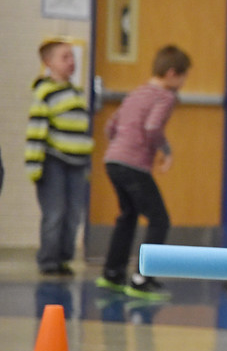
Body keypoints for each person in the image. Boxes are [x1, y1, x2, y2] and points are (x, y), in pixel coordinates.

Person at [94, 45, 191, 301]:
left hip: (113, 161)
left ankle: (113, 273)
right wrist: (165, 151)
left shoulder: (137, 92)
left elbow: (111, 125)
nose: (182, 84)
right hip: (133, 165)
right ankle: (141, 279)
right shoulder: (165, 97)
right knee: (160, 220)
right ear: (172, 74)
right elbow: (152, 127)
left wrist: (120, 148)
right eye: (183, 77)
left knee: (128, 216)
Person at [25, 38, 94, 275]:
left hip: (78, 163)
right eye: (64, 57)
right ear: (48, 63)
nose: (71, 62)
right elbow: (36, 131)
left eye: (72, 56)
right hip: (54, 161)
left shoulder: (76, 93)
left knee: (74, 213)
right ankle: (48, 260)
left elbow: (83, 131)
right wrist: (34, 165)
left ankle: (64, 258)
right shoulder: (44, 92)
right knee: (54, 212)